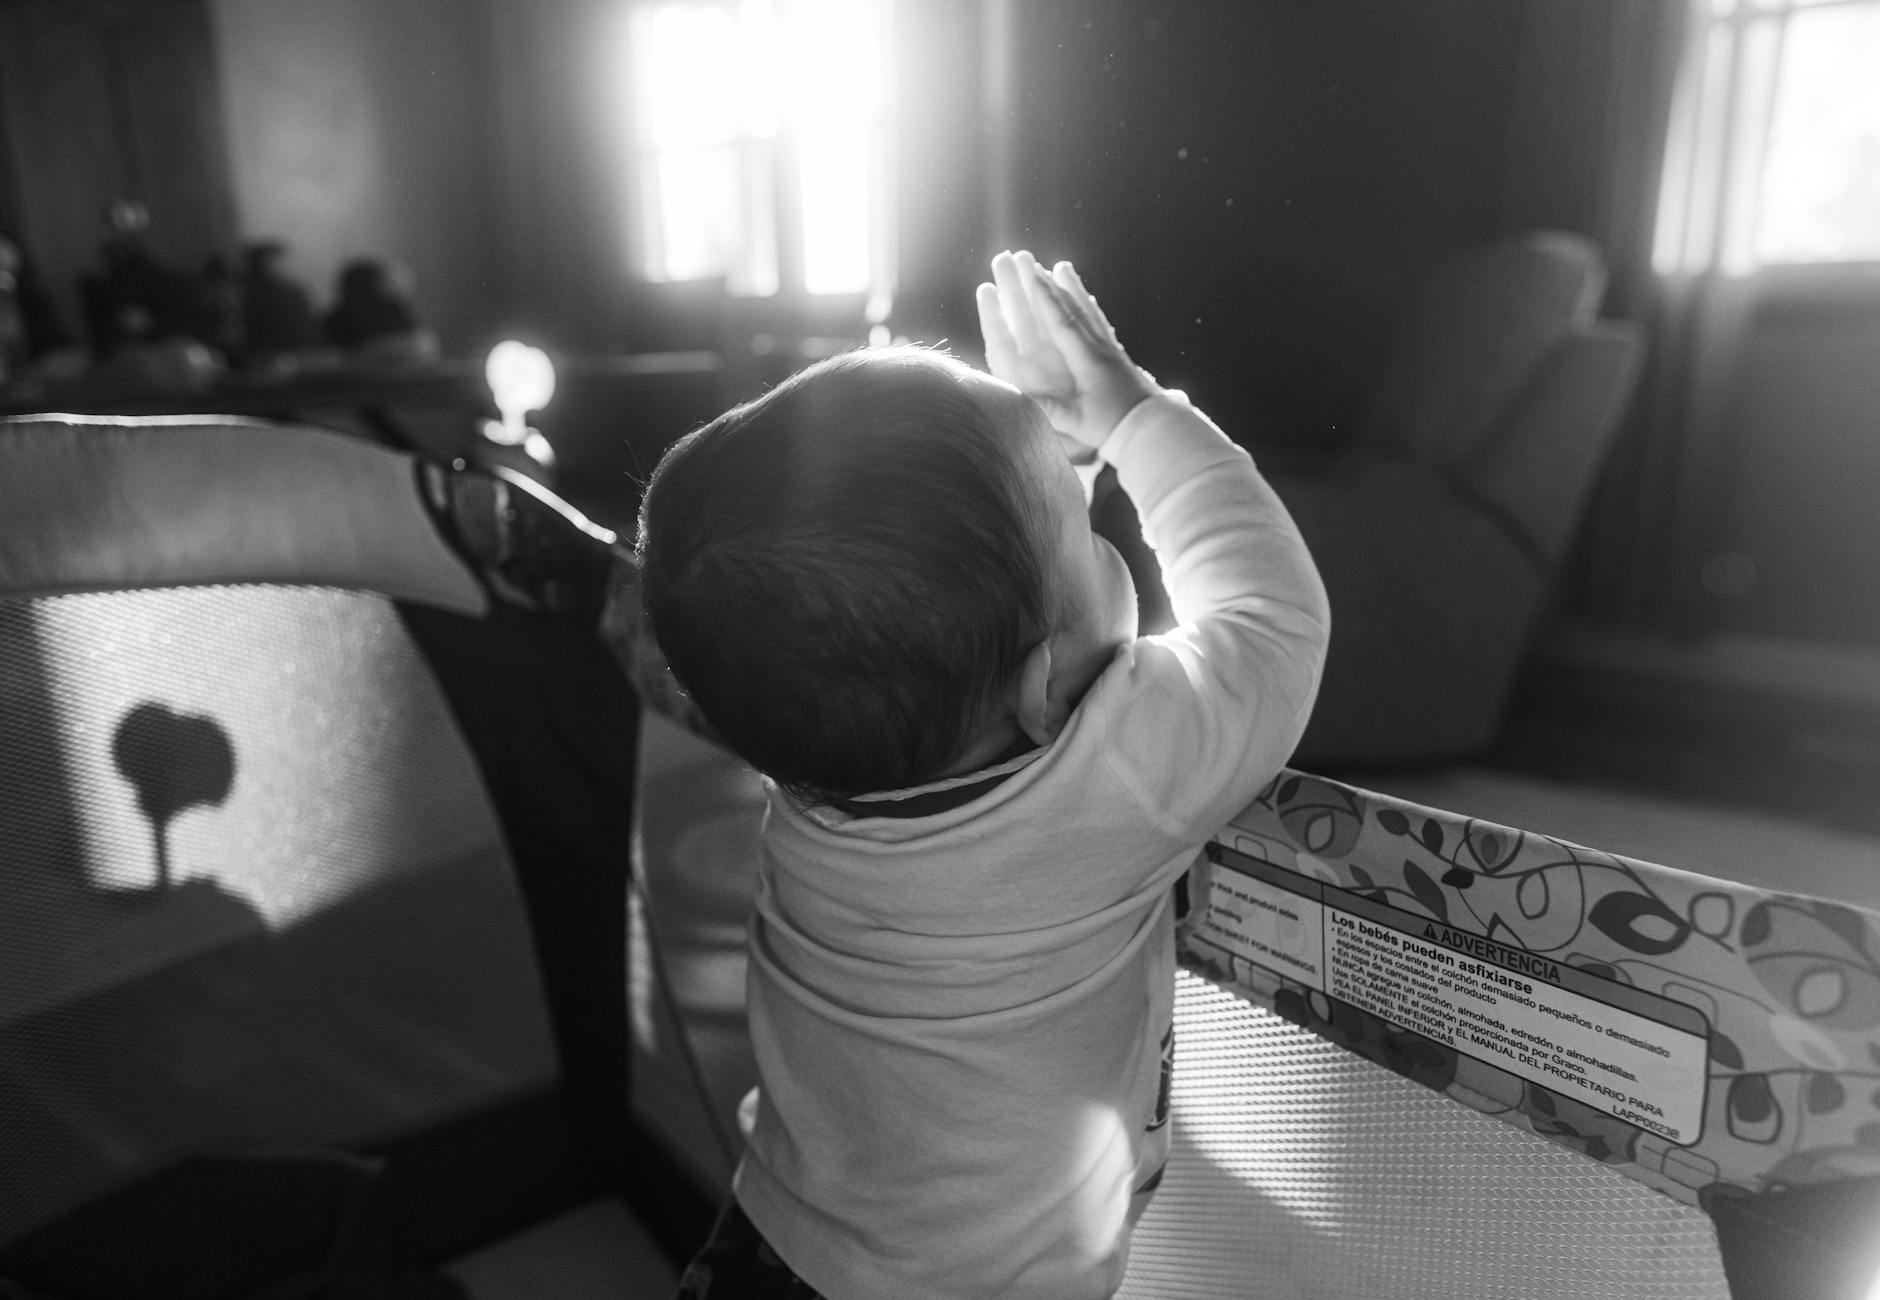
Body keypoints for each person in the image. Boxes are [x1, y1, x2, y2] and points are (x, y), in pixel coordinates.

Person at [636, 250, 1330, 1298]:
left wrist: (1046, 491)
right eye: (1082, 522)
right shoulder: (1120, 777)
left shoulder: (809, 775)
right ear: (1045, 690)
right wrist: (1137, 418)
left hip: (769, 1244)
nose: (1105, 528)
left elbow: (960, 637)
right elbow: (1273, 623)